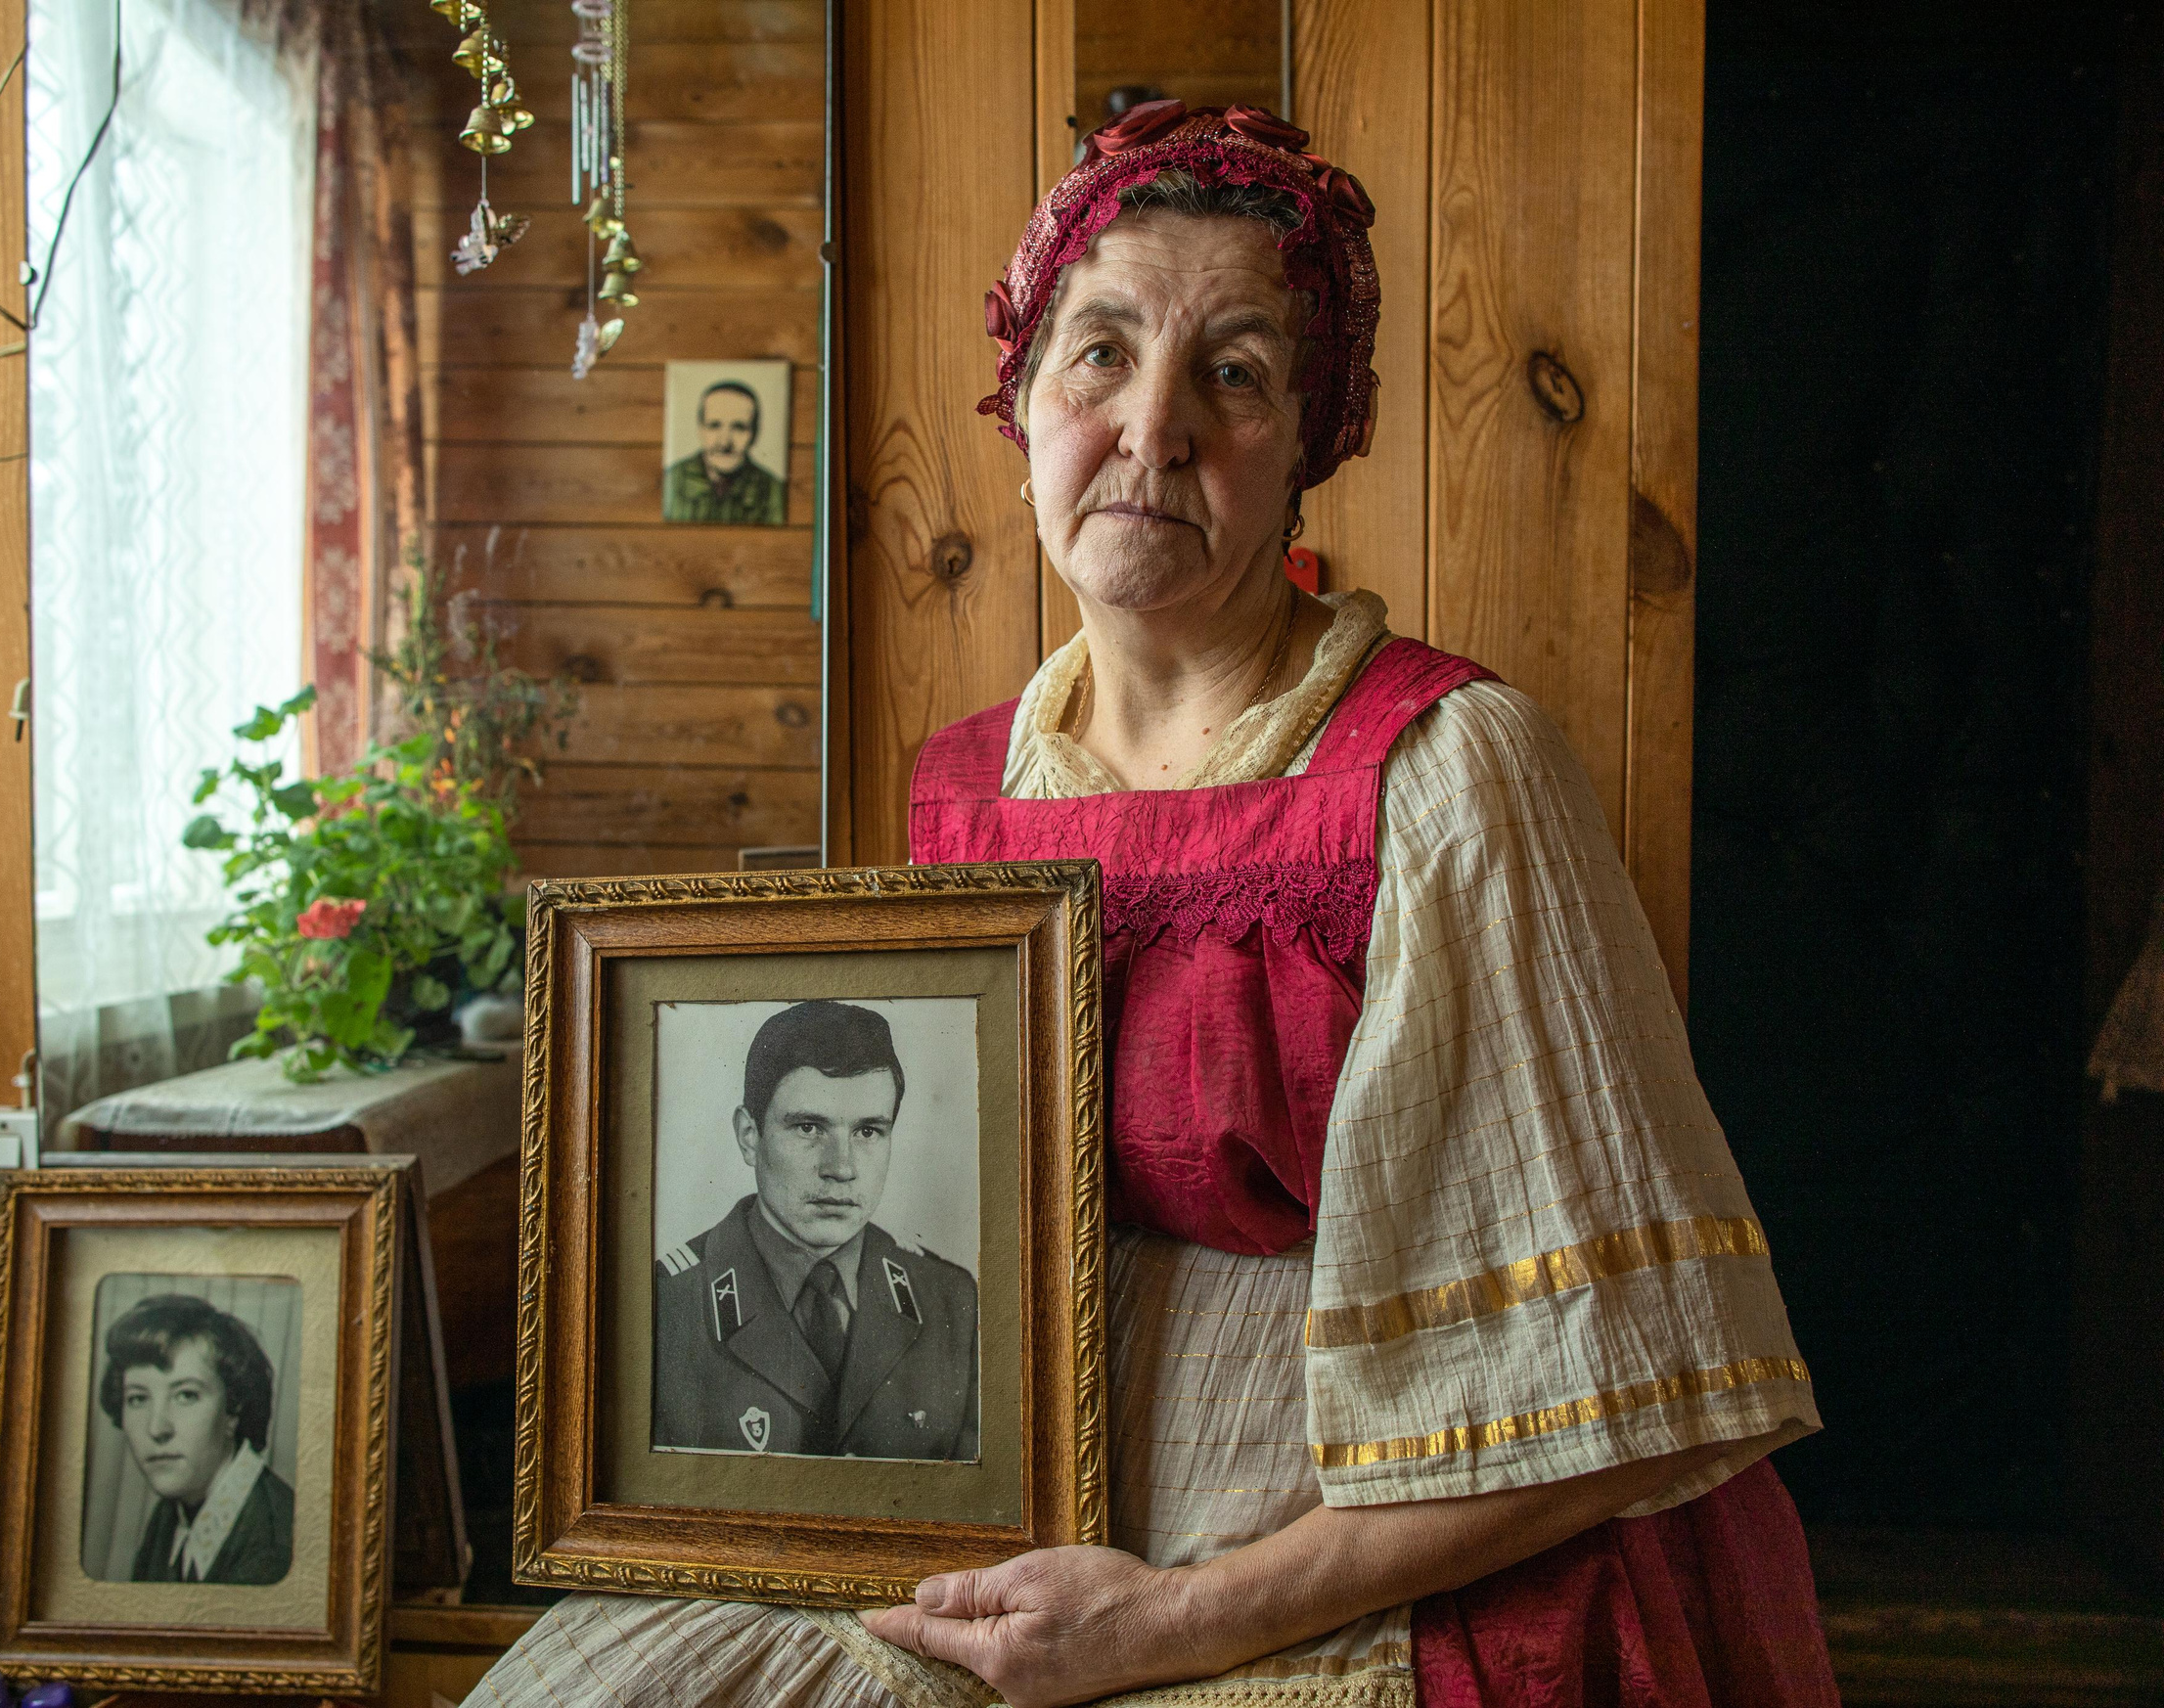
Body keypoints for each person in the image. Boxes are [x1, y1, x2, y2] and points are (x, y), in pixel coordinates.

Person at [472, 99, 1830, 1708]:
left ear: (1310, 449)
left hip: (1350, 1565)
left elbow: (1620, 1388)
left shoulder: (1448, 767)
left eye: (1234, 373)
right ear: (1024, 402)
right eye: (1100, 353)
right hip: (1003, 1546)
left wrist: (1173, 1627)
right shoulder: (964, 798)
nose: (1155, 427)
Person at [654, 1000, 980, 1461]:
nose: (841, 1168)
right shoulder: (665, 1305)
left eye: (868, 1132)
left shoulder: (951, 1300)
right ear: (750, 1135)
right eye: (809, 1127)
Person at [97, 1291, 294, 1587]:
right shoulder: (175, 1511)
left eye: (186, 1395)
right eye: (138, 1399)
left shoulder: (276, 1549)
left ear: (233, 1410)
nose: (157, 1428)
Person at [662, 380, 786, 524]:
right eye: (714, 425)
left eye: (739, 427)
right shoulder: (672, 481)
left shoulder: (773, 491)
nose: (725, 442)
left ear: (754, 433)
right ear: (701, 429)